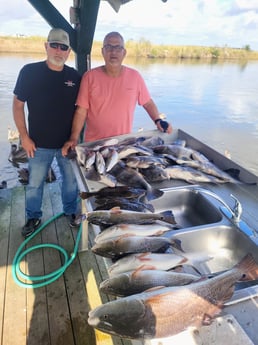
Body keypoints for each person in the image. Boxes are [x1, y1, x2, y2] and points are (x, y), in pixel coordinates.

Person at [13, 28, 81, 238]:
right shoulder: (29, 72)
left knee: (71, 183)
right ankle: (33, 216)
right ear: (46, 46)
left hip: (66, 145)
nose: (58, 51)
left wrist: (75, 138)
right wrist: (24, 137)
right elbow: (17, 106)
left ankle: (70, 212)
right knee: (34, 184)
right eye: (54, 45)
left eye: (64, 47)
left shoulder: (74, 77)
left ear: (69, 51)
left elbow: (82, 109)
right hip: (37, 144)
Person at [62, 31, 172, 153]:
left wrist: (158, 120)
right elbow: (81, 110)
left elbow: (147, 102)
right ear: (102, 51)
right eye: (108, 47)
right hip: (93, 145)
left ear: (124, 52)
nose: (113, 52)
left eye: (118, 47)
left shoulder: (135, 77)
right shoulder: (89, 77)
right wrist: (74, 137)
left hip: (122, 143)